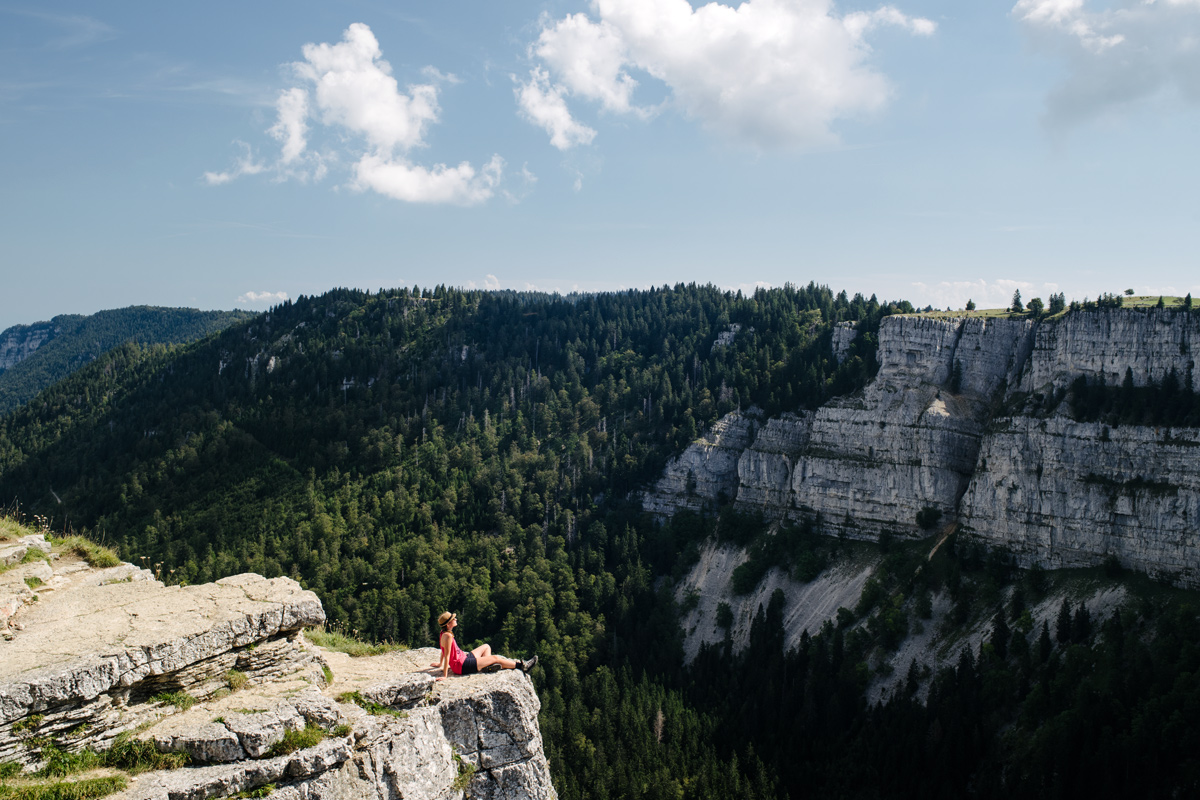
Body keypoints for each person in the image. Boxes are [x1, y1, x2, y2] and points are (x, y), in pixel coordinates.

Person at [431, 612, 537, 680]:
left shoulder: (443, 633)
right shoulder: (448, 636)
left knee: (486, 646)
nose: (456, 619)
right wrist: (444, 676)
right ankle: (522, 666)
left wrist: (440, 663)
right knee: (495, 658)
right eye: (453, 619)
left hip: (463, 659)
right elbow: (447, 654)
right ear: (449, 624)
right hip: (462, 666)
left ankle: (487, 666)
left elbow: (443, 649)